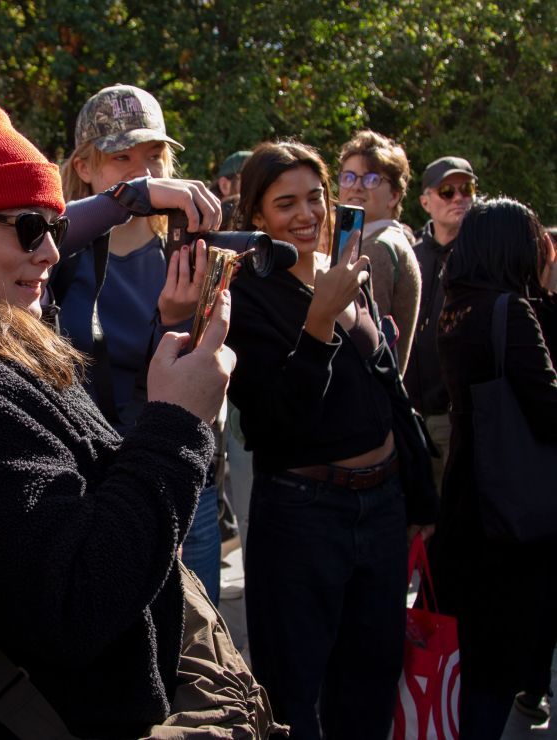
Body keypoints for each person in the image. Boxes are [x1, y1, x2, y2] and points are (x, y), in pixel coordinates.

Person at [0, 87, 276, 739]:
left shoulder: (5, 336)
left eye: (55, 227)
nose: (51, 252)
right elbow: (78, 600)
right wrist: (177, 423)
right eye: (28, 227)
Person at [226, 140, 434, 740]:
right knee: (292, 694)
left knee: (370, 684)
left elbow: (386, 387)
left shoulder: (345, 268)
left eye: (315, 196)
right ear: (257, 217)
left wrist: (418, 494)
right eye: (284, 202)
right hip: (303, 513)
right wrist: (318, 322)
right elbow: (271, 422)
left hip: (383, 506)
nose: (307, 213)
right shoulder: (245, 293)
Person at [55, 83, 225, 602]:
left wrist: (179, 322)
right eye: (120, 157)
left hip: (182, 478)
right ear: (84, 167)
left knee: (195, 656)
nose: (142, 173)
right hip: (94, 483)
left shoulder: (187, 250)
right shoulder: (59, 250)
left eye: (153, 156)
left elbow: (204, 374)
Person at [431, 197, 557, 739]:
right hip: (513, 512)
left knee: (470, 657)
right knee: (499, 663)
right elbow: (549, 409)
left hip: (466, 497)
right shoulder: (510, 309)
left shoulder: (457, 305)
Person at [403, 155, 477, 491]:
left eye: (467, 189)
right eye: (448, 191)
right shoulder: (412, 254)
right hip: (412, 415)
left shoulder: (480, 255)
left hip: (457, 415)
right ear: (425, 201)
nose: (459, 198)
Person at [337, 130, 421, 372]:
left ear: (394, 196)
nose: (356, 187)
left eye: (371, 179)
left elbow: (364, 341)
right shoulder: (372, 240)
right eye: (349, 177)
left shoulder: (378, 248)